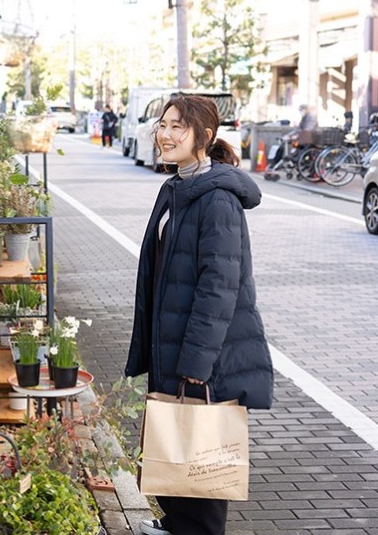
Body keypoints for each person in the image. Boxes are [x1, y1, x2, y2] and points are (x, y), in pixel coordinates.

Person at [125, 94, 274, 535]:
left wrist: (194, 366)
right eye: (163, 125)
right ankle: (173, 525)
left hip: (203, 358)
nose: (165, 134)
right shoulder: (176, 188)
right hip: (172, 346)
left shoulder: (217, 202)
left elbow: (219, 290)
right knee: (175, 454)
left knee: (205, 474)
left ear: (204, 137)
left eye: (177, 127)